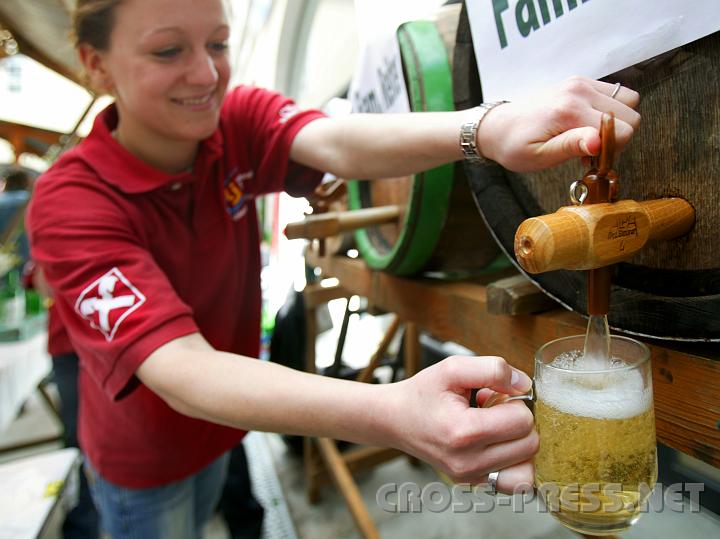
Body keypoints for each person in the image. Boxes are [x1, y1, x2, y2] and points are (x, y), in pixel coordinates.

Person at [25, 0, 641, 537]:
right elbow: (181, 366)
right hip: (143, 457)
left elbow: (336, 142)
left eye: (218, 43)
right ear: (97, 63)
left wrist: (483, 127)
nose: (206, 73)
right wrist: (392, 413)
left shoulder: (230, 123)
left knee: (221, 498)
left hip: (228, 428)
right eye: (167, 51)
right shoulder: (68, 202)